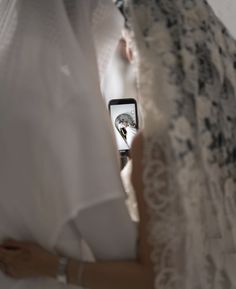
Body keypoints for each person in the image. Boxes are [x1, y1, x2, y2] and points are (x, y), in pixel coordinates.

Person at [1, 0, 236, 289]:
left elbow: (154, 276)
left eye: (128, 40)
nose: (124, 49)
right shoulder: (221, 127)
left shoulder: (152, 147)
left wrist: (52, 265)